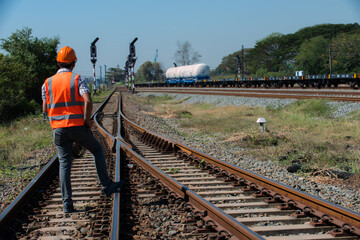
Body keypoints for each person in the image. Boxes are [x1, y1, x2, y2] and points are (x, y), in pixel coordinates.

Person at [42, 46, 124, 213]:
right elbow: (87, 100)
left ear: (58, 63)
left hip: (58, 130)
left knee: (64, 164)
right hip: (77, 127)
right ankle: (106, 185)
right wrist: (86, 121)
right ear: (73, 63)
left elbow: (45, 108)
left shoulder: (47, 83)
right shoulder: (77, 79)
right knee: (97, 149)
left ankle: (67, 204)